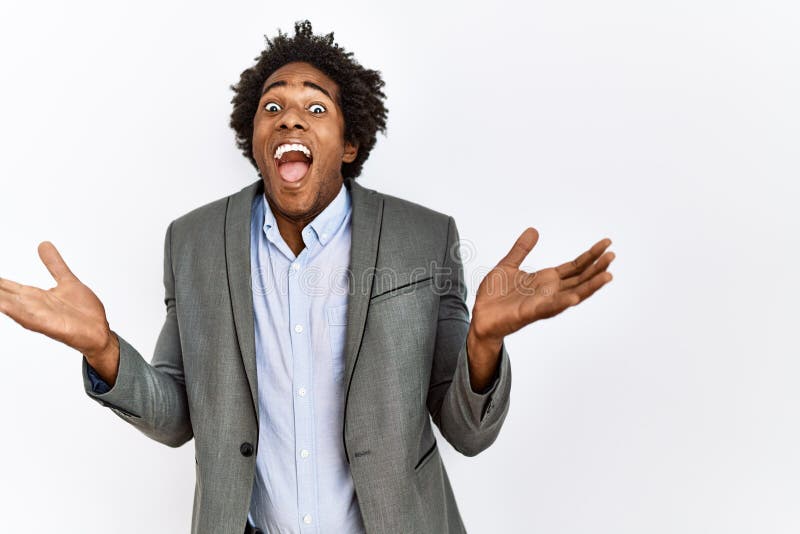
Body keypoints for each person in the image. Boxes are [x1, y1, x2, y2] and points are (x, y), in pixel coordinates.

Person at [0, 20, 615, 534]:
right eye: (274, 106)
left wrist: (484, 342)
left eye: (316, 107)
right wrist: (103, 350)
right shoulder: (192, 241)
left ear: (348, 144)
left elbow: (467, 432)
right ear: (255, 136)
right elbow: (179, 414)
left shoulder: (421, 238)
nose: (291, 118)